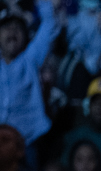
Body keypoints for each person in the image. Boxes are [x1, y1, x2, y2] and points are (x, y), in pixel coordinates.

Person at [0, 1, 61, 154]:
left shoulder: (31, 59)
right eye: (6, 28)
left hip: (27, 141)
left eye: (17, 28)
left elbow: (49, 24)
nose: (12, 32)